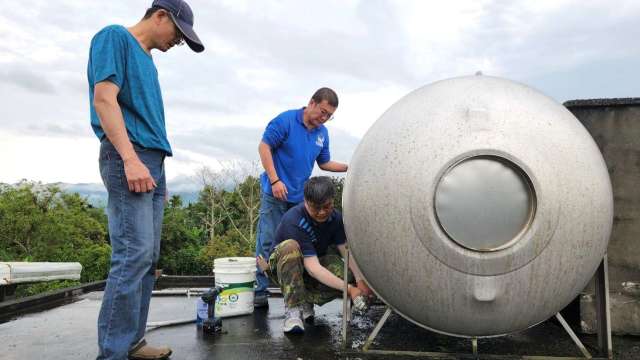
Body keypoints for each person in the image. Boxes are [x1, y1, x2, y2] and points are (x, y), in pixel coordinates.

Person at [88, 1, 204, 359]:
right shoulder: (114, 37)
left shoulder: (148, 62)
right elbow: (104, 100)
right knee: (131, 254)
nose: (178, 43)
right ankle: (112, 352)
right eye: (178, 34)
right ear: (160, 16)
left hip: (152, 162)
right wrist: (130, 159)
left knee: (148, 256)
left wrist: (159, 176)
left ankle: (133, 342)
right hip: (129, 155)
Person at [254, 88, 348, 308]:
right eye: (322, 112)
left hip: (301, 199)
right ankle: (259, 291)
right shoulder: (285, 121)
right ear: (312, 103)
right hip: (275, 193)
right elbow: (264, 146)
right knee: (268, 240)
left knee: (302, 246)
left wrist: (351, 167)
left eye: (329, 116)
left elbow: (324, 162)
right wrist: (275, 180)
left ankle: (300, 294)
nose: (324, 118)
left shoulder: (322, 133)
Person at [257, 176, 373, 334]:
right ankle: (293, 310)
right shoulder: (294, 220)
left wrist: (360, 281)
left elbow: (345, 251)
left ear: (333, 200)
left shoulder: (336, 218)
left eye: (327, 206)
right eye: (315, 208)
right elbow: (313, 268)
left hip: (313, 264)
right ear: (305, 201)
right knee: (290, 248)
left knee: (349, 274)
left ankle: (305, 299)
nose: (322, 212)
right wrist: (349, 289)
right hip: (284, 268)